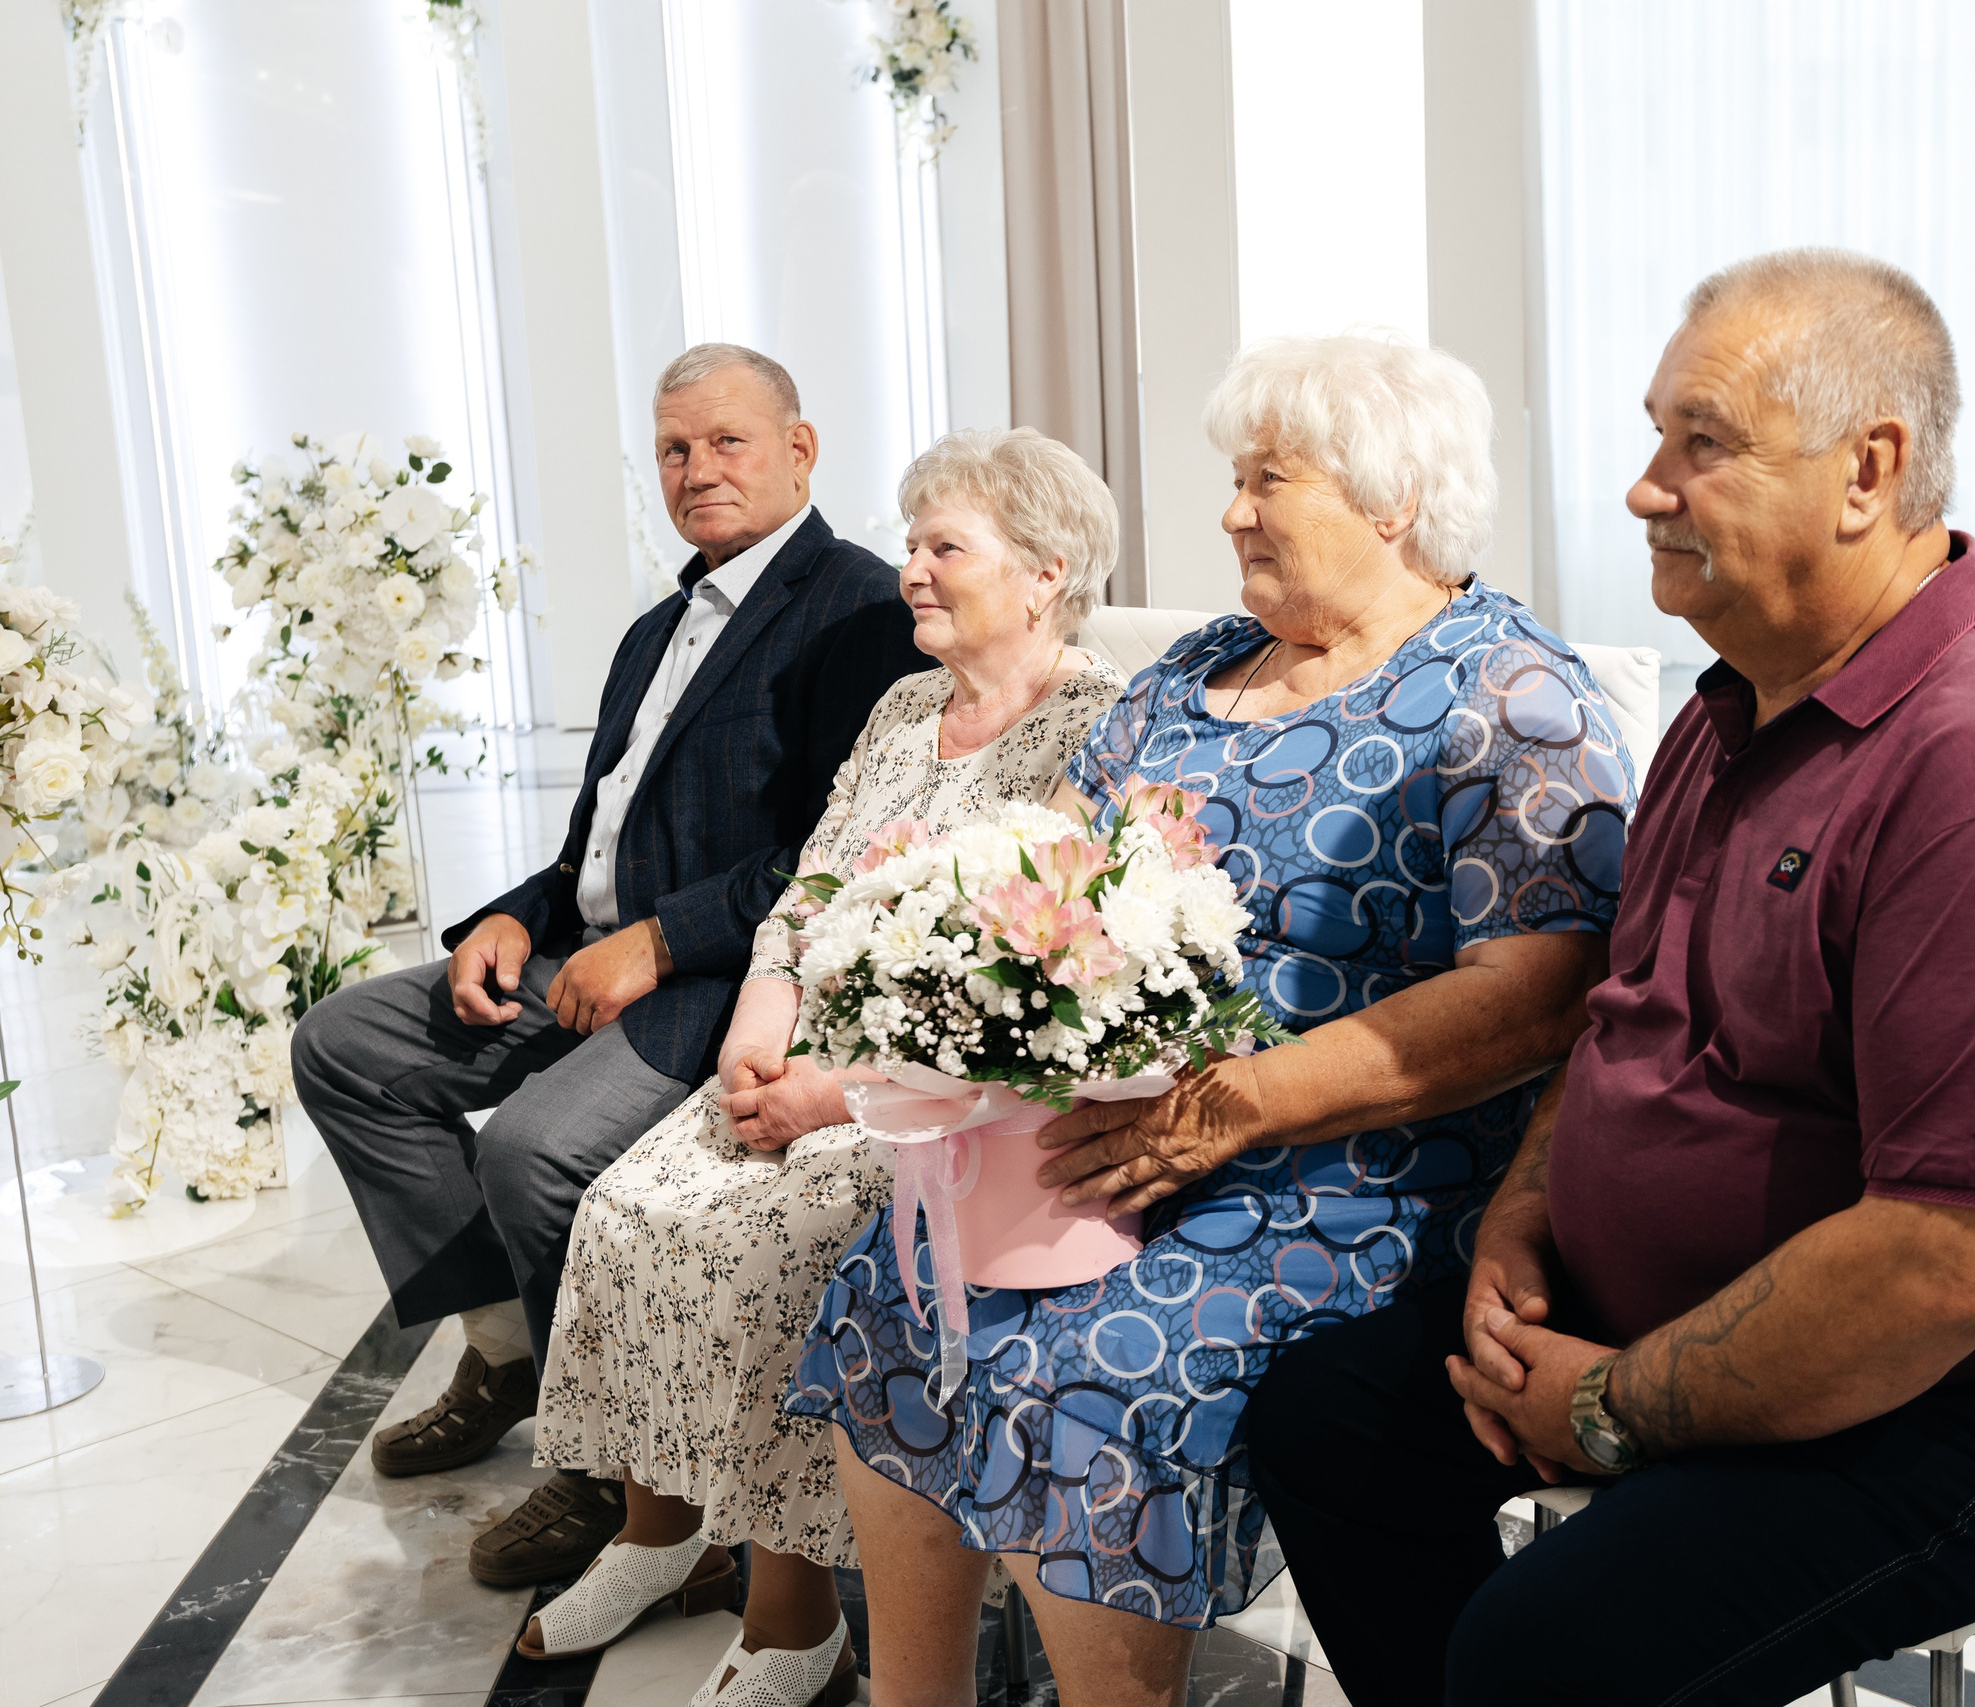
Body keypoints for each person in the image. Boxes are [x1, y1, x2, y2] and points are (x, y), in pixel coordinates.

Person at [1244, 250, 1975, 1706]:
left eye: (1703, 443)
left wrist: (1614, 1407)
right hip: (1680, 1312)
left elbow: (1948, 1259)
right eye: (1654, 435)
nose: (1645, 486)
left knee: (1543, 1649)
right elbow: (1619, 1024)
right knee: (1333, 1419)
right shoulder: (1738, 703)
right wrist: (1523, 1226)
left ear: (1868, 470)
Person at [784, 335, 1634, 1707]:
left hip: (1348, 1172)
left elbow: (1541, 990)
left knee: (1082, 1374)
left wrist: (1233, 1108)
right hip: (1115, 1128)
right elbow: (1042, 867)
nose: (1230, 511)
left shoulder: (1510, 693)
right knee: (899, 1288)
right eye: (1234, 480)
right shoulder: (1195, 668)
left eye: (1265, 479)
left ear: (1390, 499)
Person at [292, 343, 926, 1590]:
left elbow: (836, 851)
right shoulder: (655, 630)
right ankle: (507, 1351)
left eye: (727, 442)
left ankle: (599, 1470)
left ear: (801, 450)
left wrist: (660, 940)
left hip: (722, 980)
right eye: (674, 449)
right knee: (346, 1046)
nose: (697, 470)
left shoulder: (856, 611)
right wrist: (516, 917)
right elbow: (595, 837)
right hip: (586, 952)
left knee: (531, 1149)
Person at [517, 429, 1128, 1707]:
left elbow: (1012, 989)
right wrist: (755, 1041)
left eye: (942, 547)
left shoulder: (1099, 726)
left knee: (766, 1252)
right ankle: (657, 1533)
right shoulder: (906, 708)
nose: (908, 569)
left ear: (1045, 573)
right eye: (909, 543)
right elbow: (804, 896)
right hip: (795, 1055)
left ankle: (793, 1619)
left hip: (947, 1104)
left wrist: (826, 1093)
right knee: (627, 1207)